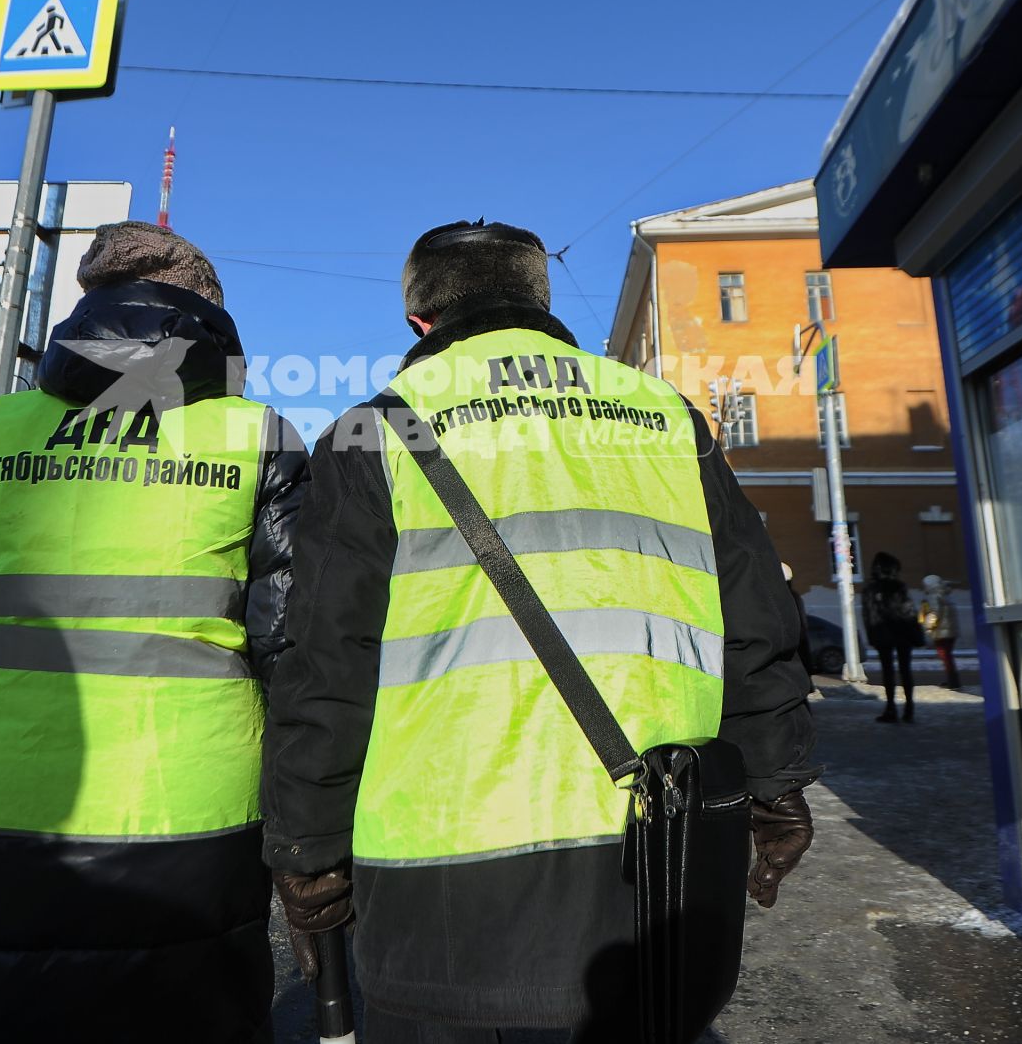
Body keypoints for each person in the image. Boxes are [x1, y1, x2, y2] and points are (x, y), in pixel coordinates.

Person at [262, 221, 819, 1041]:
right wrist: (775, 783)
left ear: (420, 320)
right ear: (538, 300)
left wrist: (307, 853)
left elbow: (325, 662)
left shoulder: (376, 429)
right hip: (655, 861)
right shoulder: (666, 415)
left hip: (441, 890)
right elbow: (756, 620)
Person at [0, 223, 308, 1043]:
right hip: (187, 807)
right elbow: (290, 651)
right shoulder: (255, 436)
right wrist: (309, 823)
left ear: (88, 306)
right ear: (208, 312)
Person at [862, 551, 920, 722]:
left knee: (888, 672)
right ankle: (909, 709)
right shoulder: (899, 586)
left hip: (883, 634)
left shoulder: (871, 589)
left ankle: (891, 709)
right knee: (905, 670)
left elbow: (869, 615)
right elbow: (908, 610)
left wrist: (873, 635)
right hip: (903, 633)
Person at [922, 573, 963, 691]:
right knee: (948, 657)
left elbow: (935, 612)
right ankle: (952, 679)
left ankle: (953, 681)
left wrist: (927, 626)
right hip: (950, 631)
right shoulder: (945, 594)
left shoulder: (934, 596)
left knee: (945, 657)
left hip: (941, 632)